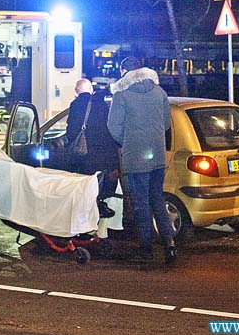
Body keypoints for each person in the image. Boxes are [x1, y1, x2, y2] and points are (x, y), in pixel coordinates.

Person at [107, 56, 176, 266]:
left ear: (125, 73)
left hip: (135, 157)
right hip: (157, 156)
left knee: (140, 204)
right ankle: (170, 244)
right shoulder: (159, 92)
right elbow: (165, 124)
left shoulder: (122, 96)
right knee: (157, 199)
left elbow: (113, 127)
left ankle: (146, 250)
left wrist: (128, 141)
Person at [65, 78, 119, 217]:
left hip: (83, 155)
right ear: (91, 90)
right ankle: (96, 218)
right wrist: (113, 163)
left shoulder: (75, 105)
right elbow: (109, 132)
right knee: (97, 187)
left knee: (83, 189)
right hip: (100, 155)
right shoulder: (101, 105)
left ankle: (83, 224)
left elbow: (70, 132)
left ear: (77, 92)